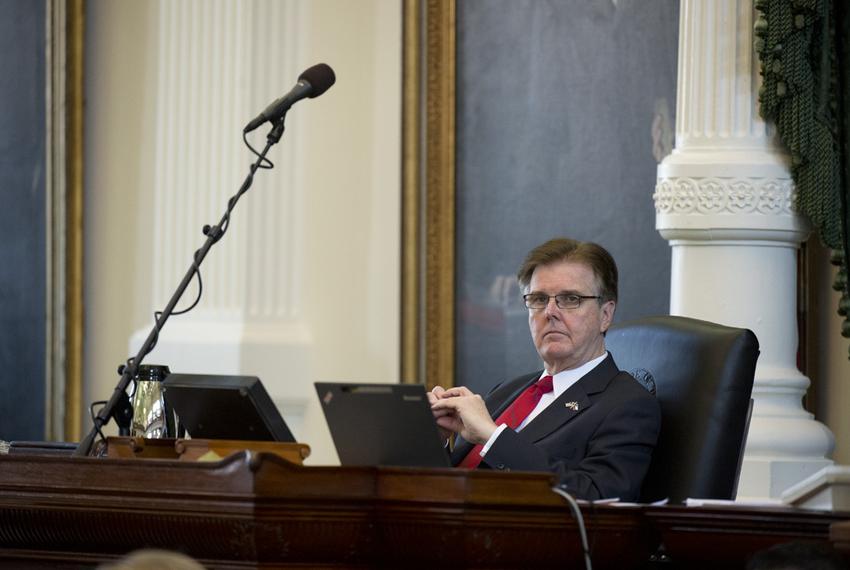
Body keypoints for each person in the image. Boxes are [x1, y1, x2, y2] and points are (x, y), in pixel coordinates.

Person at [429, 237, 661, 501]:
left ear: (605, 315)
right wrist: (434, 439)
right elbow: (449, 484)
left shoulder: (628, 405)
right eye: (538, 299)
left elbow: (599, 496)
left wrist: (492, 436)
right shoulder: (507, 391)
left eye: (570, 298)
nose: (550, 311)